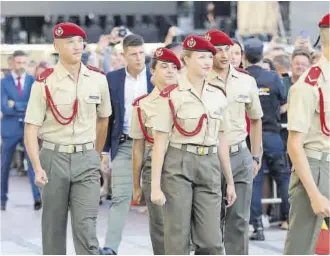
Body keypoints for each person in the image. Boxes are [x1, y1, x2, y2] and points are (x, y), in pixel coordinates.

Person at [24, 22, 112, 255]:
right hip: (53, 159)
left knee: (86, 228)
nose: (76, 46)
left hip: (86, 159)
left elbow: (104, 120)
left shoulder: (98, 80)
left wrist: (95, 154)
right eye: (69, 42)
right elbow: (31, 128)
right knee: (53, 229)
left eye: (79, 41)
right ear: (56, 46)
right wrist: (36, 166)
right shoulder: (44, 83)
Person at [150, 35, 236, 255]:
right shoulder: (170, 95)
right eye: (201, 57)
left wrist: (230, 181)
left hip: (209, 164)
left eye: (210, 56)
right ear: (186, 59)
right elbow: (160, 142)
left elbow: (222, 138)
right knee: (177, 236)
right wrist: (155, 186)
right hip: (178, 163)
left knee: (211, 242)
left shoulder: (218, 95)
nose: (208, 61)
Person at [206, 29, 263, 254]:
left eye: (226, 49)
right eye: (216, 50)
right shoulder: (199, 80)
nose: (223, 54)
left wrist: (256, 156)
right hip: (209, 156)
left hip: (239, 154)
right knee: (209, 223)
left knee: (239, 220)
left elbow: (256, 120)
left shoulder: (246, 81)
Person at [101, 34, 153, 255]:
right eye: (133, 54)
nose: (139, 58)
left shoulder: (155, 76)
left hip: (154, 146)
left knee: (160, 198)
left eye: (142, 53)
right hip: (124, 144)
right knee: (121, 196)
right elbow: (106, 117)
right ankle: (111, 247)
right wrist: (103, 150)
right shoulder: (112, 79)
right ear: (124, 56)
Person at [284, 13, 330, 254]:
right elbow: (294, 144)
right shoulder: (309, 85)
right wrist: (314, 195)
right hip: (316, 168)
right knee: (300, 248)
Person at [130, 47, 181, 255]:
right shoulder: (142, 105)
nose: (170, 71)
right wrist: (136, 185)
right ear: (152, 71)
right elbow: (138, 148)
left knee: (185, 225)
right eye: (164, 66)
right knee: (160, 228)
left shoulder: (190, 98)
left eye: (174, 67)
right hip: (155, 170)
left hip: (184, 165)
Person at [244, 38, 290, 239]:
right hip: (272, 134)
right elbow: (284, 103)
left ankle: (257, 227)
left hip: (250, 136)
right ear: (262, 56)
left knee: (254, 181)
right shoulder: (273, 78)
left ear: (244, 56)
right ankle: (290, 219)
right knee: (283, 177)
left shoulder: (242, 78)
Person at [1, 50, 41, 211]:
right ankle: (2, 198)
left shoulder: (33, 81)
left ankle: (37, 197)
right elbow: (4, 106)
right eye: (18, 62)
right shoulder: (3, 83)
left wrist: (16, 105)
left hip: (28, 128)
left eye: (24, 62)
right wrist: (24, 106)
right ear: (11, 63)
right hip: (9, 129)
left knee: (33, 163)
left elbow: (36, 105)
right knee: (4, 165)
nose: (21, 65)